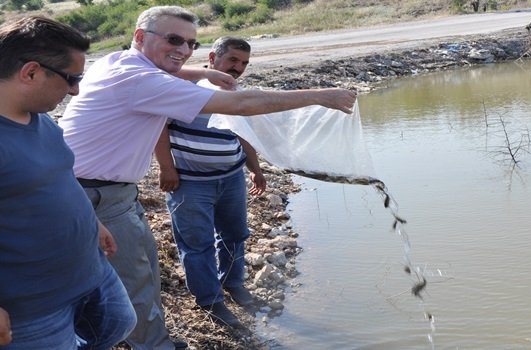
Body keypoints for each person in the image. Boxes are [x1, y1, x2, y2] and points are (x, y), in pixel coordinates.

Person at [58, 5, 355, 348]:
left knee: (146, 274)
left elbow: (173, 75)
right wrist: (322, 96)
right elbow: (242, 105)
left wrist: (204, 73)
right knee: (135, 280)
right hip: (94, 194)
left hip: (113, 193)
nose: (183, 50)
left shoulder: (117, 62)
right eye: (173, 40)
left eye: (190, 44)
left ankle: (154, 338)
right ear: (140, 37)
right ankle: (153, 344)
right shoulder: (141, 79)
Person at [0, 16, 136, 350]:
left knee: (120, 323)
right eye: (71, 78)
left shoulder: (38, 115)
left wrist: (94, 221)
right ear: (31, 72)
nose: (75, 89)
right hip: (33, 306)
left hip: (90, 270)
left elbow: (59, 174)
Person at [154, 37, 264, 328]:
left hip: (232, 179)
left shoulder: (233, 90)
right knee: (197, 244)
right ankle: (210, 301)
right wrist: (166, 168)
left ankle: (233, 283)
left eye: (244, 63)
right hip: (190, 183)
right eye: (233, 61)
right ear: (214, 57)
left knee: (235, 234)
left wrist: (256, 169)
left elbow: (242, 134)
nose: (238, 68)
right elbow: (158, 129)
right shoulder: (183, 87)